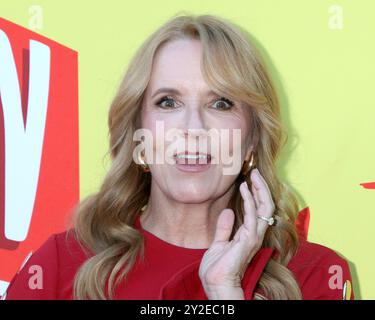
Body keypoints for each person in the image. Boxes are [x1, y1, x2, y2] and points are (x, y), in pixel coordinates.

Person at [2, 14, 353, 300]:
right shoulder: (60, 267)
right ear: (138, 135)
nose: (193, 128)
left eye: (221, 103)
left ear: (251, 141)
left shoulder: (315, 277)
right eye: (168, 102)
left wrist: (224, 294)